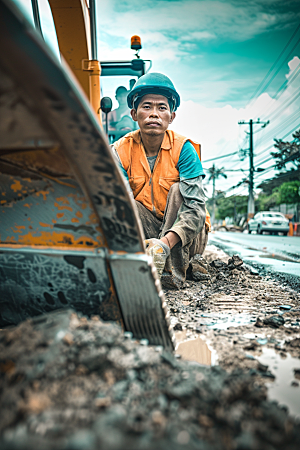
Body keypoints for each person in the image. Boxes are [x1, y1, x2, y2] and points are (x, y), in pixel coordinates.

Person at [112, 73, 211, 288]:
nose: (154, 114)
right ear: (134, 114)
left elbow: (195, 209)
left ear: (172, 116)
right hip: (145, 233)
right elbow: (120, 206)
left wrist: (164, 244)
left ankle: (170, 272)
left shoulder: (184, 149)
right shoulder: (120, 150)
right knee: (123, 204)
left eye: (162, 108)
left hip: (187, 236)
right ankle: (137, 264)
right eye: (146, 107)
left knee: (178, 191)